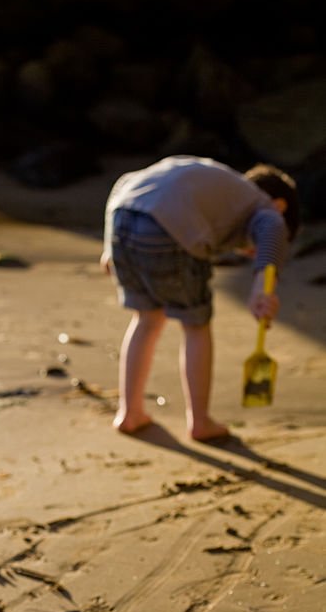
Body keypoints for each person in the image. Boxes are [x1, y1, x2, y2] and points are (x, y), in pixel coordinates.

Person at [102, 156, 300, 441]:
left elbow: (125, 182)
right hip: (169, 229)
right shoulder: (264, 206)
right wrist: (262, 286)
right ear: (281, 205)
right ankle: (200, 420)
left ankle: (130, 412)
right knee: (196, 325)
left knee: (147, 318)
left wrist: (110, 245)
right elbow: (272, 227)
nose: (250, 252)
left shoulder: (218, 185)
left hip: (124, 219)